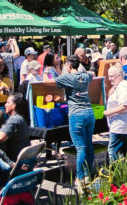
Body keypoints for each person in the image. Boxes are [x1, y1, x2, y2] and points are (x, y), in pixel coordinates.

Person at [44, 55, 94, 189]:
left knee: (80, 147)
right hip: (90, 113)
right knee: (88, 144)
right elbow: (92, 74)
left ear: (69, 66)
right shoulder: (85, 75)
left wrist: (46, 71)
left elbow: (47, 82)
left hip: (77, 115)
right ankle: (90, 173)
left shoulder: (68, 77)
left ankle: (79, 177)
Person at [104, 64, 127, 162]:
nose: (109, 79)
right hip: (123, 124)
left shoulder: (123, 87)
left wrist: (109, 112)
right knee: (124, 149)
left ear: (118, 75)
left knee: (113, 150)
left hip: (121, 125)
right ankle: (126, 170)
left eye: (111, 76)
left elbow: (125, 106)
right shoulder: (121, 86)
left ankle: (115, 172)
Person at [0, 93, 31, 179]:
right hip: (23, 157)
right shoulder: (20, 118)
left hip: (14, 161)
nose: (5, 105)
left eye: (8, 103)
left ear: (14, 106)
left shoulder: (14, 120)